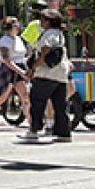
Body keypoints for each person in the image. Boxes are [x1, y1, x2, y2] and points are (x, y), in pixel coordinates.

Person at [26, 9, 72, 142]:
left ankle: (34, 129)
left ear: (48, 21)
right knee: (60, 104)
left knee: (37, 101)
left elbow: (45, 50)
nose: (40, 22)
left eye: (42, 19)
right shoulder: (60, 34)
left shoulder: (49, 34)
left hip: (46, 73)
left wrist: (34, 67)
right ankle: (64, 133)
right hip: (61, 74)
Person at [0, 17, 31, 127]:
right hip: (9, 69)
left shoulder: (19, 39)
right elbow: (6, 59)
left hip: (20, 68)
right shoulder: (4, 40)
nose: (18, 27)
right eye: (15, 25)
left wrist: (25, 67)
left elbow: (24, 55)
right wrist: (20, 71)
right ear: (9, 27)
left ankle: (31, 121)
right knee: (2, 97)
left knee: (25, 96)